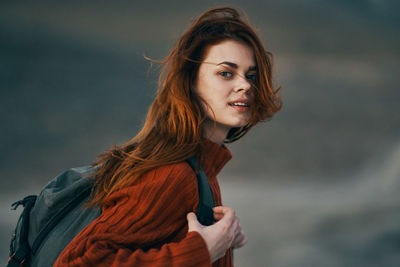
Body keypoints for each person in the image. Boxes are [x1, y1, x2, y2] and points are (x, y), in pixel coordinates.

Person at [54, 6, 281, 267]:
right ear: (190, 82)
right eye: (226, 73)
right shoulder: (173, 174)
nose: (245, 85)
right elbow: (77, 262)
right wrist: (202, 250)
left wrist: (222, 237)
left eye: (251, 75)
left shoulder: (198, 168)